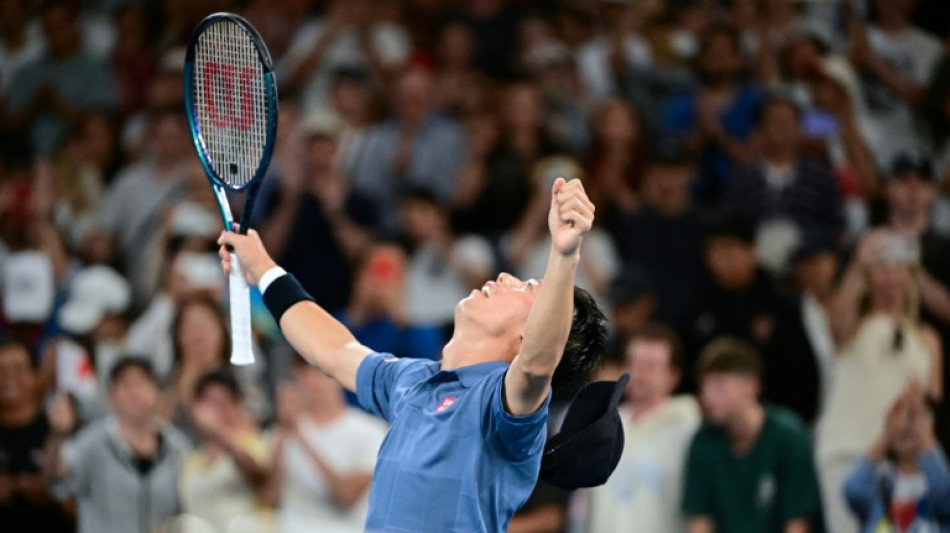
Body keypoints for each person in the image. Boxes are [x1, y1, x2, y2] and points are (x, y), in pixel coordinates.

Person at [218, 177, 617, 532]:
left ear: (529, 334)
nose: (505, 277)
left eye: (527, 287)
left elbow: (537, 363)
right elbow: (334, 350)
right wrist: (263, 268)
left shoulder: (506, 408)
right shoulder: (410, 380)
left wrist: (564, 255)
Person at [817, 228, 943, 533]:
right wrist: (858, 266)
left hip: (900, 464)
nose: (891, 276)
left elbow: (932, 402)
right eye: (881, 266)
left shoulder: (926, 338)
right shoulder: (854, 325)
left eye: (899, 267)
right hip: (846, 452)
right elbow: (836, 327)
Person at [682, 337, 824, 533]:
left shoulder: (788, 437)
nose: (708, 396)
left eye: (719, 386)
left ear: (751, 386)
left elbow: (797, 524)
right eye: (704, 386)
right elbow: (699, 522)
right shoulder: (704, 441)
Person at [44, 357, 190, 533]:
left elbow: (192, 505)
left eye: (142, 382)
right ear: (110, 396)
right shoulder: (92, 442)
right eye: (125, 384)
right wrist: (58, 435)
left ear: (156, 393)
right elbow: (57, 479)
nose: (134, 392)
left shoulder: (176, 446)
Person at [583, 325, 700, 533]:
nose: (639, 373)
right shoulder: (603, 425)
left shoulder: (689, 426)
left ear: (673, 376)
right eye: (633, 363)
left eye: (651, 366)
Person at [267, 355, 387, 533]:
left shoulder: (370, 430)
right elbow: (270, 498)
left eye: (320, 374)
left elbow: (347, 497)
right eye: (303, 375)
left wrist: (301, 438)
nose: (312, 383)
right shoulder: (283, 430)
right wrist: (284, 431)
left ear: (337, 377)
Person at [3, 0, 116, 156]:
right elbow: (8, 125)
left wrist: (55, 102)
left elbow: (100, 126)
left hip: (79, 155)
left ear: (74, 25)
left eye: (59, 25)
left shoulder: (95, 69)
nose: (54, 33)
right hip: (27, 156)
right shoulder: (27, 72)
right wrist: (34, 104)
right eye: (48, 28)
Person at [844, 384, 950, 533]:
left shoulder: (941, 476)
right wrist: (887, 435)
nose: (906, 426)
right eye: (901, 418)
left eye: (913, 418)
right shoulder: (881, 482)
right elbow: (853, 491)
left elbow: (945, 495)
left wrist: (921, 425)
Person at [180, 370, 271, 533]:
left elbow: (260, 478)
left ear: (236, 405)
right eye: (209, 402)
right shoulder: (190, 459)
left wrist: (220, 433)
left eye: (222, 402)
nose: (215, 410)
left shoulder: (254, 444)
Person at [0, 339, 72, 532]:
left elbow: (92, 505)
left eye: (18, 369)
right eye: (1, 370)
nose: (9, 378)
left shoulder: (62, 427)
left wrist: (51, 495)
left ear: (38, 375)